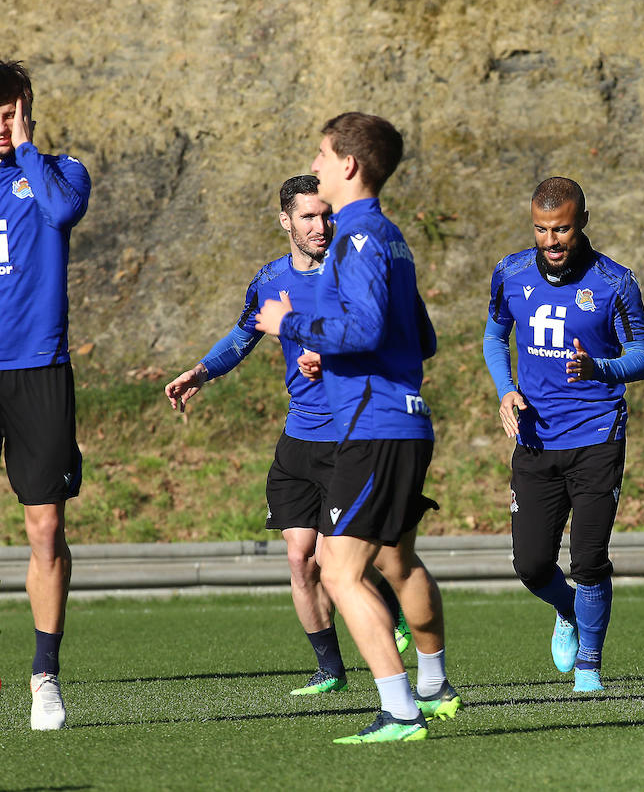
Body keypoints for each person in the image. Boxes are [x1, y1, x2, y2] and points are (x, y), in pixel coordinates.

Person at [163, 174, 413, 697]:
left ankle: (393, 612)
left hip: (354, 433)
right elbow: (243, 333)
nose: (321, 226)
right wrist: (201, 372)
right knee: (300, 559)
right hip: (300, 435)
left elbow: (386, 334)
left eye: (327, 215)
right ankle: (330, 669)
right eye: (308, 217)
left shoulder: (355, 270)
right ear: (286, 222)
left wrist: (331, 351)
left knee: (332, 558)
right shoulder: (270, 278)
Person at [255, 113, 452, 744]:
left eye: (320, 154)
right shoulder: (389, 237)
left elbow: (366, 330)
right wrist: (333, 352)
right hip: (392, 421)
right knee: (373, 561)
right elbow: (418, 336)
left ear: (348, 166)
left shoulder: (359, 238)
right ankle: (425, 689)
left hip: (374, 426)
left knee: (338, 572)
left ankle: (402, 710)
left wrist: (293, 328)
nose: (314, 165)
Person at [482, 176, 644, 693]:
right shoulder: (509, 273)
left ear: (582, 222)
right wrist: (506, 389)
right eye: (541, 229)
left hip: (598, 434)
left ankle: (589, 665)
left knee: (588, 558)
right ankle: (567, 611)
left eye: (561, 230)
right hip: (535, 438)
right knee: (531, 564)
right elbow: (495, 335)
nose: (551, 241)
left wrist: (600, 368)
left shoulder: (615, 281)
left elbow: (643, 358)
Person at [0, 59, 89, 730]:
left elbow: (61, 210)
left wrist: (28, 146)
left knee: (45, 529)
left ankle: (46, 676)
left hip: (38, 369)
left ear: (27, 112)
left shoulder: (61, 172)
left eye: (9, 112)